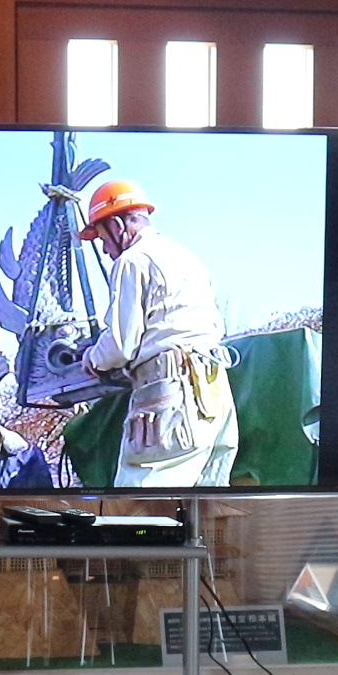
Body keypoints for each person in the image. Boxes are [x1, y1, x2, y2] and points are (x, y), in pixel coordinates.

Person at [78, 179, 239, 488]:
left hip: (170, 395)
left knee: (138, 501)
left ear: (117, 225)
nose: (106, 250)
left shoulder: (132, 261)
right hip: (214, 392)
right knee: (204, 502)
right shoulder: (185, 257)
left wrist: (93, 358)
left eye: (103, 239)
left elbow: (121, 345)